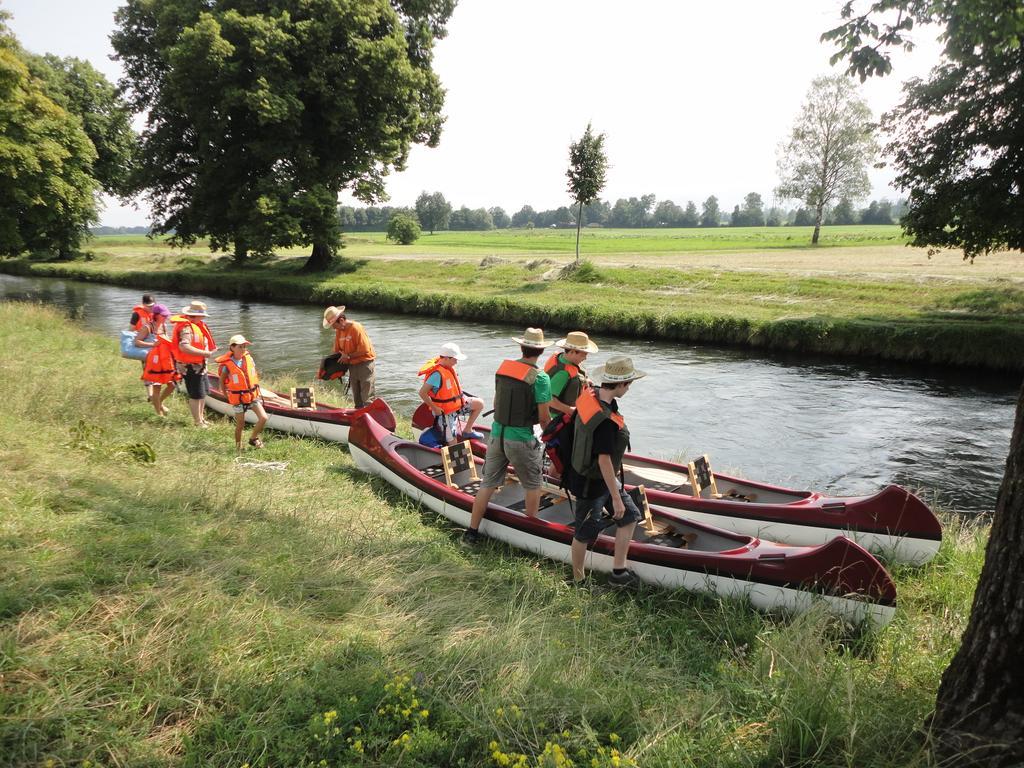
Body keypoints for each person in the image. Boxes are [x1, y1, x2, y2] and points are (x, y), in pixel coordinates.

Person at [463, 328, 552, 545]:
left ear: (521, 347)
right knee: (533, 485)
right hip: (520, 437)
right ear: (540, 351)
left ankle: (471, 533)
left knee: (488, 483)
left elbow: (495, 404)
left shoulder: (503, 369)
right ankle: (529, 537)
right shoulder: (540, 377)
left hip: (496, 434)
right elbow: (544, 418)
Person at [565, 355, 646, 586]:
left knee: (630, 517)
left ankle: (618, 572)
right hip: (591, 483)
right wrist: (615, 498)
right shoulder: (605, 422)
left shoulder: (593, 396)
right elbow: (604, 461)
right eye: (628, 383)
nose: (629, 388)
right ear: (619, 384)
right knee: (584, 533)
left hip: (601, 479)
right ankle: (578, 581)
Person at [417, 342, 484, 445]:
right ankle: (452, 456)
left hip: (457, 405)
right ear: (446, 358)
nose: (456, 362)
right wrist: (434, 408)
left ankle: (467, 431)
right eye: (455, 359)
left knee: (479, 404)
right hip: (445, 413)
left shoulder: (448, 368)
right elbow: (422, 393)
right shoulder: (437, 375)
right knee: (453, 441)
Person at [216, 334, 269, 452]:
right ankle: (238, 447)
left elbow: (253, 374)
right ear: (232, 348)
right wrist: (226, 395)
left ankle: (253, 438)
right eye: (240, 346)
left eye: (244, 346)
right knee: (240, 424)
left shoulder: (248, 359)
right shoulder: (228, 364)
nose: (243, 349)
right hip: (238, 398)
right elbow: (222, 381)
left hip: (251, 395)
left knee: (263, 417)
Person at [171, 300, 218, 427]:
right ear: (195, 315)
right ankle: (197, 422)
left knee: (202, 393)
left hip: (200, 366)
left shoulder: (195, 325)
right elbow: (184, 347)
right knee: (196, 395)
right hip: (190, 367)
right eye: (202, 315)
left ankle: (201, 419)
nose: (203, 317)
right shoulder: (186, 328)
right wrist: (205, 353)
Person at [322, 305, 376, 408]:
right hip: (351, 365)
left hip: (365, 365)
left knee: (367, 397)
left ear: (341, 320)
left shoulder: (356, 327)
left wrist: (348, 356)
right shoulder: (339, 331)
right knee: (357, 398)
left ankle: (372, 419)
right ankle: (358, 419)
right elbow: (336, 351)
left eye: (334, 325)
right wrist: (328, 365)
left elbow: (365, 350)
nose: (333, 328)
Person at [136, 303, 179, 417]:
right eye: (164, 315)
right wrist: (153, 344)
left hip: (164, 361)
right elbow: (137, 341)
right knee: (157, 387)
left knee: (172, 385)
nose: (166, 317)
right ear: (156, 315)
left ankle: (159, 403)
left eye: (166, 315)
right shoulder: (147, 327)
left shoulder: (163, 326)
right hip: (152, 362)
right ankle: (159, 413)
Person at [544, 331, 599, 415]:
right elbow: (548, 398)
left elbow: (575, 374)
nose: (585, 358)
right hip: (559, 420)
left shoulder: (563, 358)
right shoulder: (563, 373)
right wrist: (571, 411)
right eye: (583, 355)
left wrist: (585, 380)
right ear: (572, 352)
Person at [128, 294, 156, 401]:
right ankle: (150, 395)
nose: (150, 308)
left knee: (156, 367)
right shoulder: (136, 314)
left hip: (155, 344)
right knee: (147, 368)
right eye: (148, 306)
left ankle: (154, 392)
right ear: (143, 304)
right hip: (143, 345)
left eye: (152, 305)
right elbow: (131, 330)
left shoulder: (156, 314)